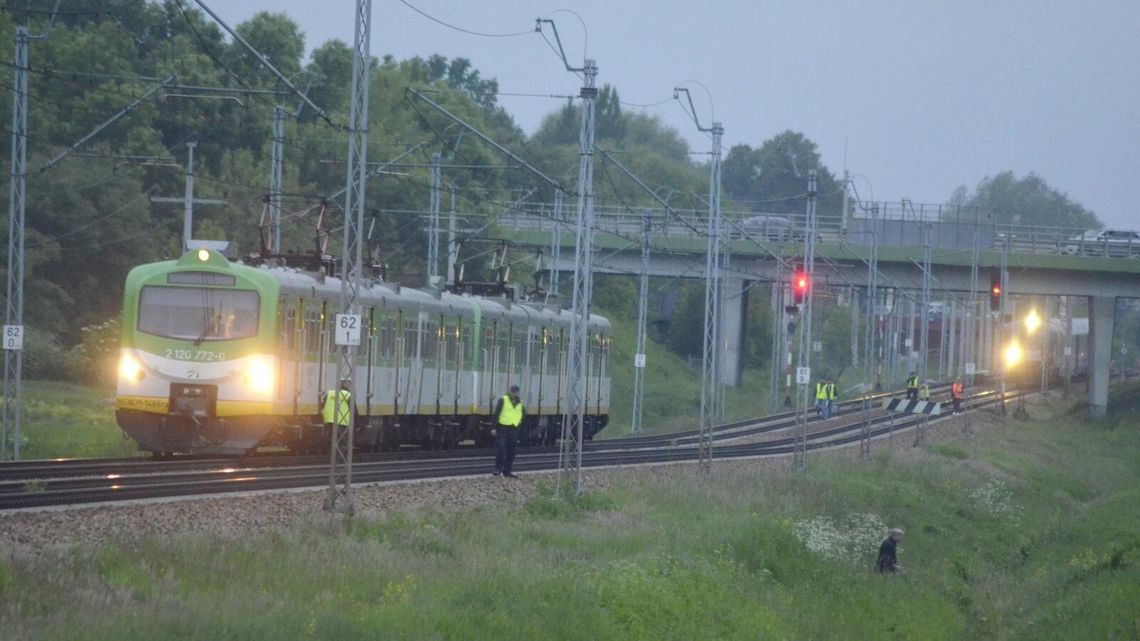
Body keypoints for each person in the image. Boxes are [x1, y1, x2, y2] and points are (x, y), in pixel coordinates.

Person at [492, 384, 525, 478]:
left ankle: (507, 471)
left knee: (512, 450)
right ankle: (498, 469)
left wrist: (520, 422)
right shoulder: (503, 400)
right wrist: (493, 427)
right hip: (502, 427)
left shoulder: (520, 403)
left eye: (515, 392)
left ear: (518, 393)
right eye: (512, 391)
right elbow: (496, 414)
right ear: (509, 391)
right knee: (501, 449)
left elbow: (523, 413)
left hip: (513, 428)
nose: (513, 393)